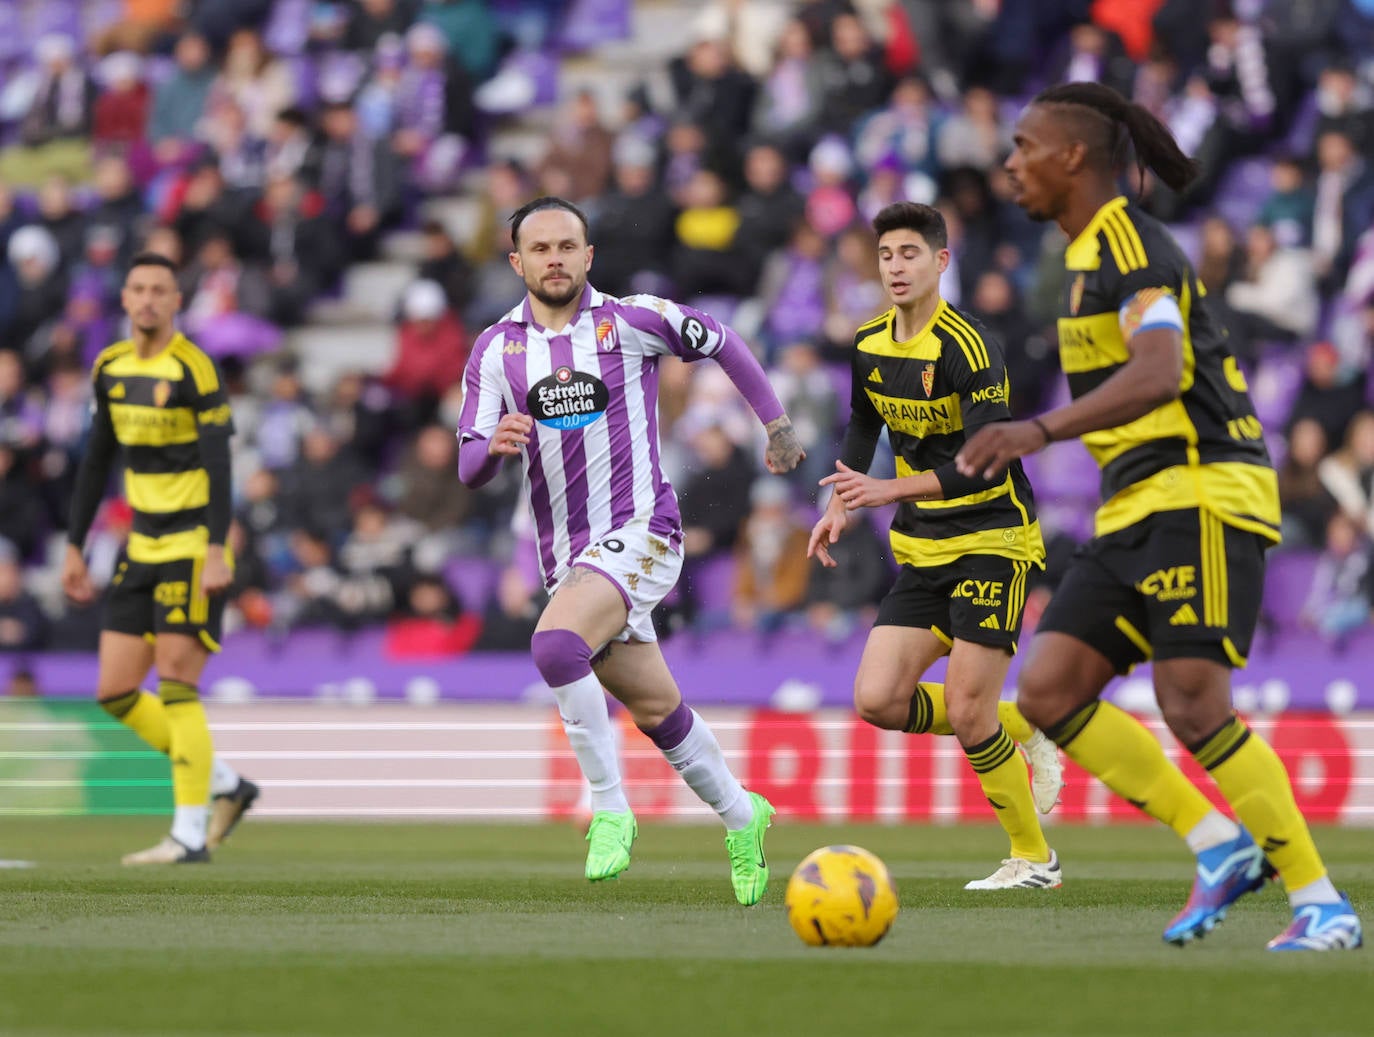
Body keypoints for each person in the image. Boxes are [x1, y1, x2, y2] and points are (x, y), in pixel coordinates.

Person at [956, 81, 1362, 951]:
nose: (1011, 163)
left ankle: (1321, 901)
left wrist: (1037, 428)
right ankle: (1218, 844)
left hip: (1204, 489)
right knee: (1053, 691)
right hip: (1137, 499)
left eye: (1024, 146)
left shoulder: (1131, 245)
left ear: (1072, 157)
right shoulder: (1082, 258)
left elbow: (1162, 368)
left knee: (1192, 701)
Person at [457, 197, 805, 905]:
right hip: (572, 558)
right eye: (540, 247)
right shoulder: (496, 349)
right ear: (517, 261)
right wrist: (491, 450)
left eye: (568, 245)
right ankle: (745, 815)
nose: (555, 257)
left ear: (589, 256)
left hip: (645, 530)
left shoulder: (632, 320)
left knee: (555, 648)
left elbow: (723, 341)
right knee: (659, 711)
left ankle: (610, 808)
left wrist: (775, 424)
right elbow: (467, 464)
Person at [808, 202, 1065, 890]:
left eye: (910, 254)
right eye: (887, 254)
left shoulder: (970, 348)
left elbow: (986, 458)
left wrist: (887, 491)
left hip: (992, 539)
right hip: (923, 548)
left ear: (940, 262)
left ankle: (1034, 859)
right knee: (878, 698)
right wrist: (839, 498)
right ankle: (1028, 727)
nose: (896, 266)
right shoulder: (869, 343)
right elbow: (864, 422)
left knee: (969, 705)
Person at [62, 252, 259, 865]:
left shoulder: (195, 369)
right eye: (138, 289)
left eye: (159, 291)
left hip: (192, 546)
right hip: (139, 545)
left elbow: (222, 464)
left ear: (177, 302)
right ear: (124, 299)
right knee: (116, 691)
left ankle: (189, 834)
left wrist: (217, 547)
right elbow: (97, 459)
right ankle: (225, 783)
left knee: (177, 685)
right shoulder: (110, 367)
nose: (147, 300)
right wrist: (75, 543)